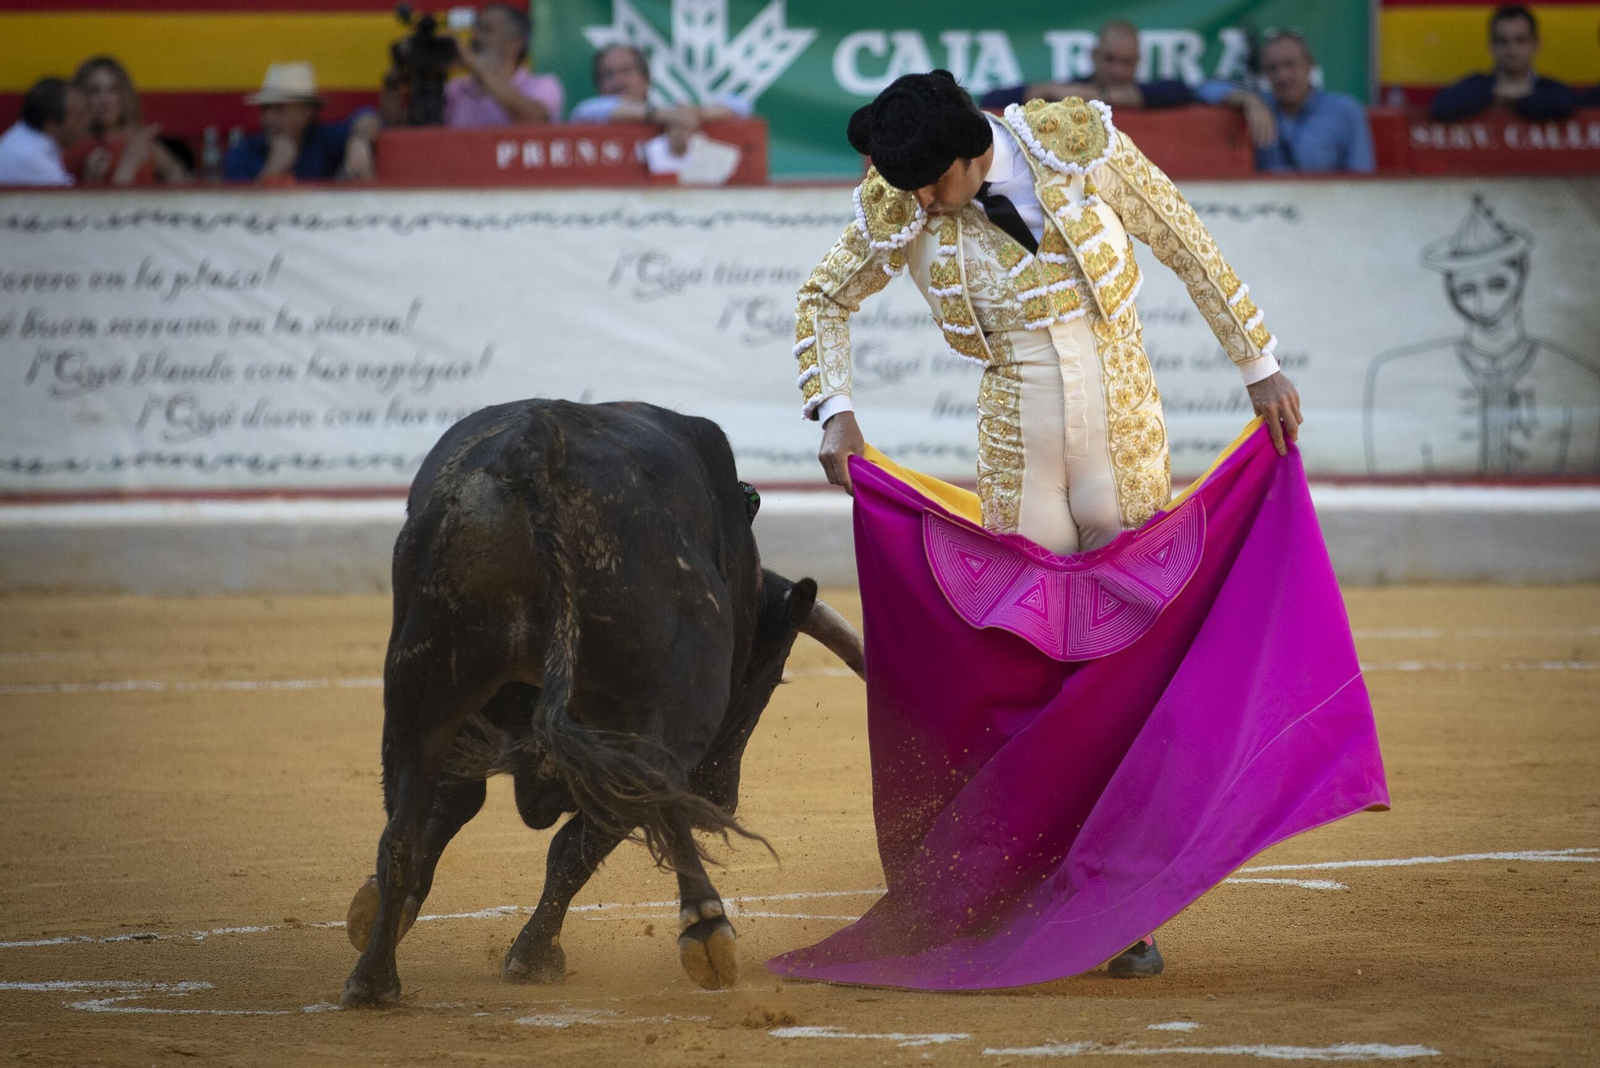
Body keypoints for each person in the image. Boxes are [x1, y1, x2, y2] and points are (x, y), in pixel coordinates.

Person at [772, 71, 1384, 991]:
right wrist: (834, 408)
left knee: (1130, 667)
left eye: (933, 184)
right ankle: (1032, 877)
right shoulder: (904, 199)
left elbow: (1182, 238)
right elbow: (823, 297)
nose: (923, 204)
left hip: (1125, 431)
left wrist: (1259, 364)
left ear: (970, 151)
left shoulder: (1075, 144)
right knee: (1031, 666)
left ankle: (1120, 896)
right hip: (1020, 442)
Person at [981, 21, 1278, 151]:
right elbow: (991, 99)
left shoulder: (1156, 92)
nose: (1116, 69)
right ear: (1093, 55)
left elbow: (1181, 91)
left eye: (1126, 62)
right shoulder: (1068, 90)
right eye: (1109, 59)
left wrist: (1105, 97)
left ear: (1138, 62)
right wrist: (1047, 91)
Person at [570, 43, 749, 155]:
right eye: (607, 74)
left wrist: (696, 115)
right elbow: (591, 110)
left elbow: (740, 104)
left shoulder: (670, 113)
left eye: (626, 71)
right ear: (598, 85)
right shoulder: (588, 114)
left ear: (646, 78)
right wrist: (670, 117)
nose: (617, 81)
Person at [224, 63, 379, 184]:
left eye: (279, 109)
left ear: (307, 112)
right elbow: (235, 208)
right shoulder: (241, 154)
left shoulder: (323, 140)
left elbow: (368, 116)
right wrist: (273, 170)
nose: (269, 119)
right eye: (265, 109)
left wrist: (358, 140)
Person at [1251, 32, 1374, 174]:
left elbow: (1362, 176)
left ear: (1309, 65)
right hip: (1269, 189)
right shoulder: (1262, 105)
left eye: (1290, 65)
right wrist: (1250, 102)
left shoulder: (1345, 111)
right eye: (1272, 68)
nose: (1282, 76)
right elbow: (1226, 87)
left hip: (1329, 188)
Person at [1430, 5, 1576, 122]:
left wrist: (1515, 100)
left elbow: (1566, 104)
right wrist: (1496, 94)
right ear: (1491, 46)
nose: (1511, 49)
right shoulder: (1477, 84)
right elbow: (1441, 107)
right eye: (1503, 41)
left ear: (1535, 44)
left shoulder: (1549, 89)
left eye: (1520, 40)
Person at [64, 56, 188, 186]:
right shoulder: (72, 145)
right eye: (94, 91)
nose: (104, 100)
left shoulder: (138, 140)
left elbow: (175, 171)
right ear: (79, 97)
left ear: (124, 96)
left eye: (113, 90)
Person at [434, 4, 562, 126]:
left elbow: (535, 121)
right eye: (475, 28)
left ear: (514, 44)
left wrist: (474, 63)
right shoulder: (456, 89)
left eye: (486, 30)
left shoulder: (543, 85)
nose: (474, 36)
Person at [0, 77, 89, 186]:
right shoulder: (32, 160)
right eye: (80, 116)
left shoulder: (21, 135)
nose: (87, 121)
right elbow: (66, 195)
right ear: (52, 126)